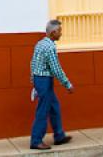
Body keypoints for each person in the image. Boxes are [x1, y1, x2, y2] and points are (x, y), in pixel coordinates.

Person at [29, 19, 74, 150]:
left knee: (54, 107)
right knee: (43, 110)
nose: (61, 34)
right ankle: (36, 140)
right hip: (44, 80)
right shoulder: (50, 47)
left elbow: (33, 63)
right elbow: (56, 68)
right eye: (59, 31)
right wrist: (67, 84)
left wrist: (34, 82)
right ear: (53, 32)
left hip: (40, 79)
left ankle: (59, 136)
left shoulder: (40, 43)